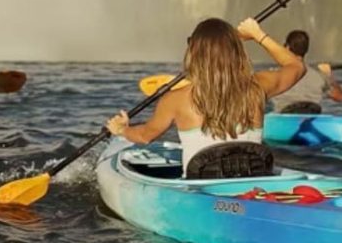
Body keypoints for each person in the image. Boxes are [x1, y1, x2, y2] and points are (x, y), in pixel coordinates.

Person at [106, 17, 305, 176]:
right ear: (236, 51)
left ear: (194, 53)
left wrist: (122, 129)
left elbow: (144, 136)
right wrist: (258, 34)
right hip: (251, 182)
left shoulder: (175, 100)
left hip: (200, 189)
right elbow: (297, 66)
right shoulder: (258, 87)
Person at [270, 30, 342, 113]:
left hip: (283, 120)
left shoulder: (273, 75)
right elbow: (339, 97)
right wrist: (329, 75)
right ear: (306, 50)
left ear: (287, 47)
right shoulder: (320, 76)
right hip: (311, 116)